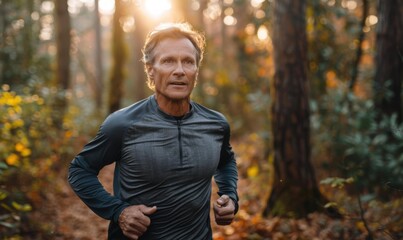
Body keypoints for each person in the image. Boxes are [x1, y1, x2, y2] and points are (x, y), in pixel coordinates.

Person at [68, 22, 239, 240]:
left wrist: (230, 196)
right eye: (168, 61)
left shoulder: (216, 124)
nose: (179, 70)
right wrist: (118, 212)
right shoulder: (123, 124)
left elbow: (225, 162)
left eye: (188, 62)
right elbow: (80, 170)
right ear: (151, 69)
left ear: (196, 70)